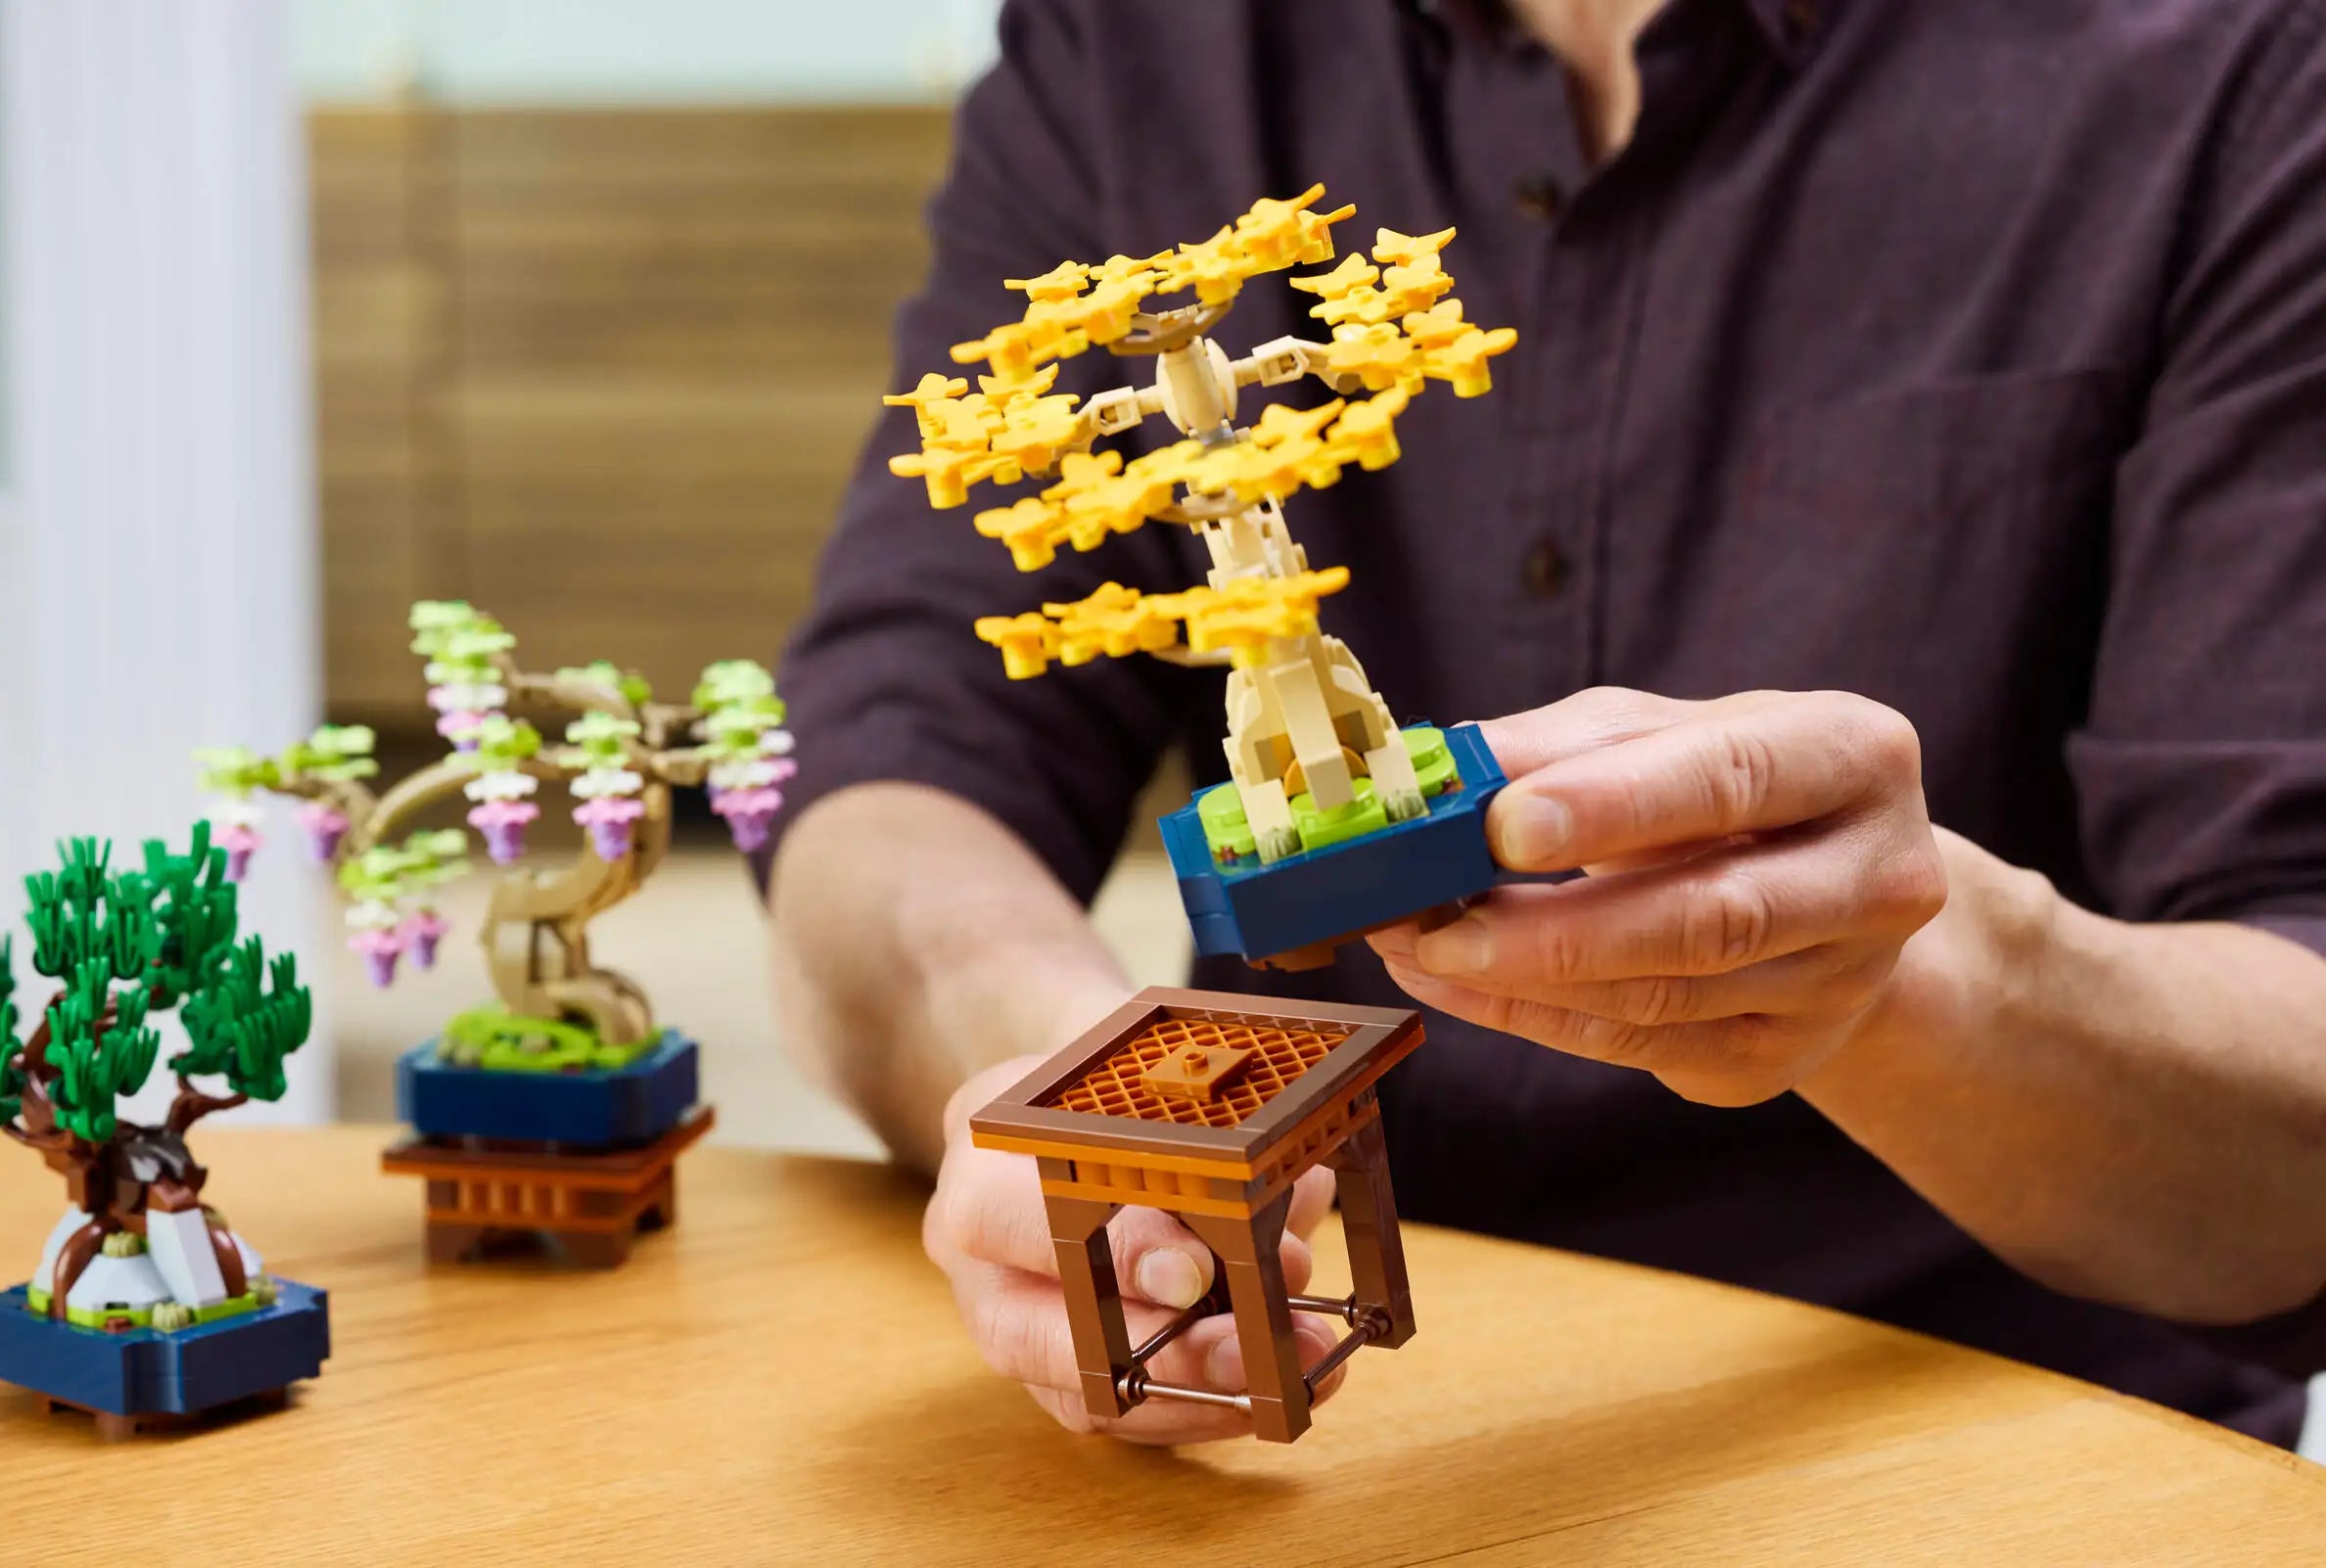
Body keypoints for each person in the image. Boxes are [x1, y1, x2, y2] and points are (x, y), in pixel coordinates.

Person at [757, 0, 2326, 1448]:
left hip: (1979, 1420)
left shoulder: (2237, 63)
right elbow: (894, 746)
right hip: (1323, 1453)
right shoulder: (1140, 41)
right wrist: (1072, 1088)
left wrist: (1920, 973)